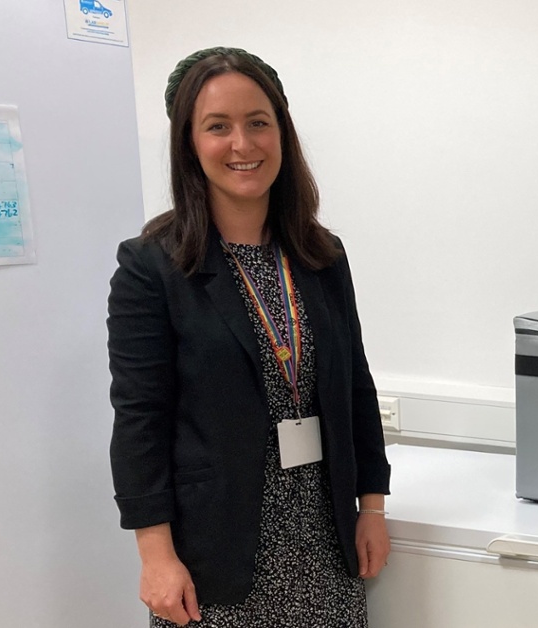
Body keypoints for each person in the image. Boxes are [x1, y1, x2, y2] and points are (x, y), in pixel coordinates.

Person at [107, 47, 392, 627]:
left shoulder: (320, 255)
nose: (243, 144)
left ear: (281, 132)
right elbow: (140, 418)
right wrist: (154, 555)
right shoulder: (151, 267)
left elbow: (356, 385)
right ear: (189, 142)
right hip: (218, 556)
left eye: (258, 122)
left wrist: (372, 506)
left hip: (325, 543)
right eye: (218, 127)